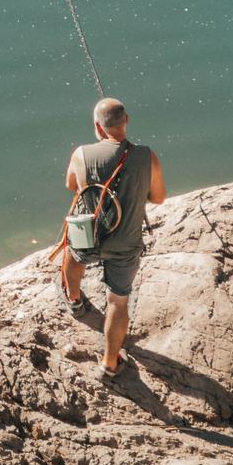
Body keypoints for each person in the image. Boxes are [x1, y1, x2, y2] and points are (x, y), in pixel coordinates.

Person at [61, 96, 165, 384]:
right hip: (126, 242)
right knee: (118, 301)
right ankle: (109, 364)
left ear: (97, 127)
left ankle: (74, 301)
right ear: (126, 121)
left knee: (72, 253)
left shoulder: (81, 154)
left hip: (89, 236)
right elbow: (158, 197)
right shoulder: (146, 156)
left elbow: (72, 185)